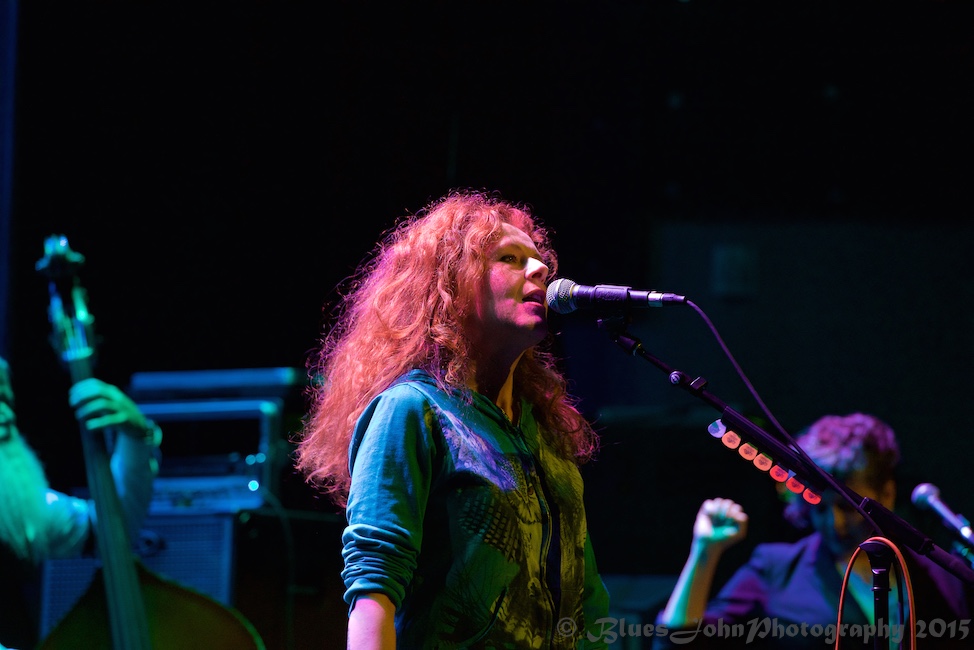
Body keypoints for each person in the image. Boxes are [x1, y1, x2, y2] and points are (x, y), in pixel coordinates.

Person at [294, 189, 611, 648]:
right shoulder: (412, 410)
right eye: (509, 257)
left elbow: (589, 602)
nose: (541, 269)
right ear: (451, 286)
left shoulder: (543, 431)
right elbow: (373, 589)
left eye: (540, 260)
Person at [653, 412, 973, 649]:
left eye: (848, 507)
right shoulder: (776, 568)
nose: (833, 523)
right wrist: (704, 552)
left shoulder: (939, 574)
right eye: (819, 507)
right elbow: (678, 642)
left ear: (886, 493)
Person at [0, 355, 161, 649]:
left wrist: (136, 437)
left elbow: (111, 531)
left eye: (5, 401)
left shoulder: (18, 509)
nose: (6, 418)